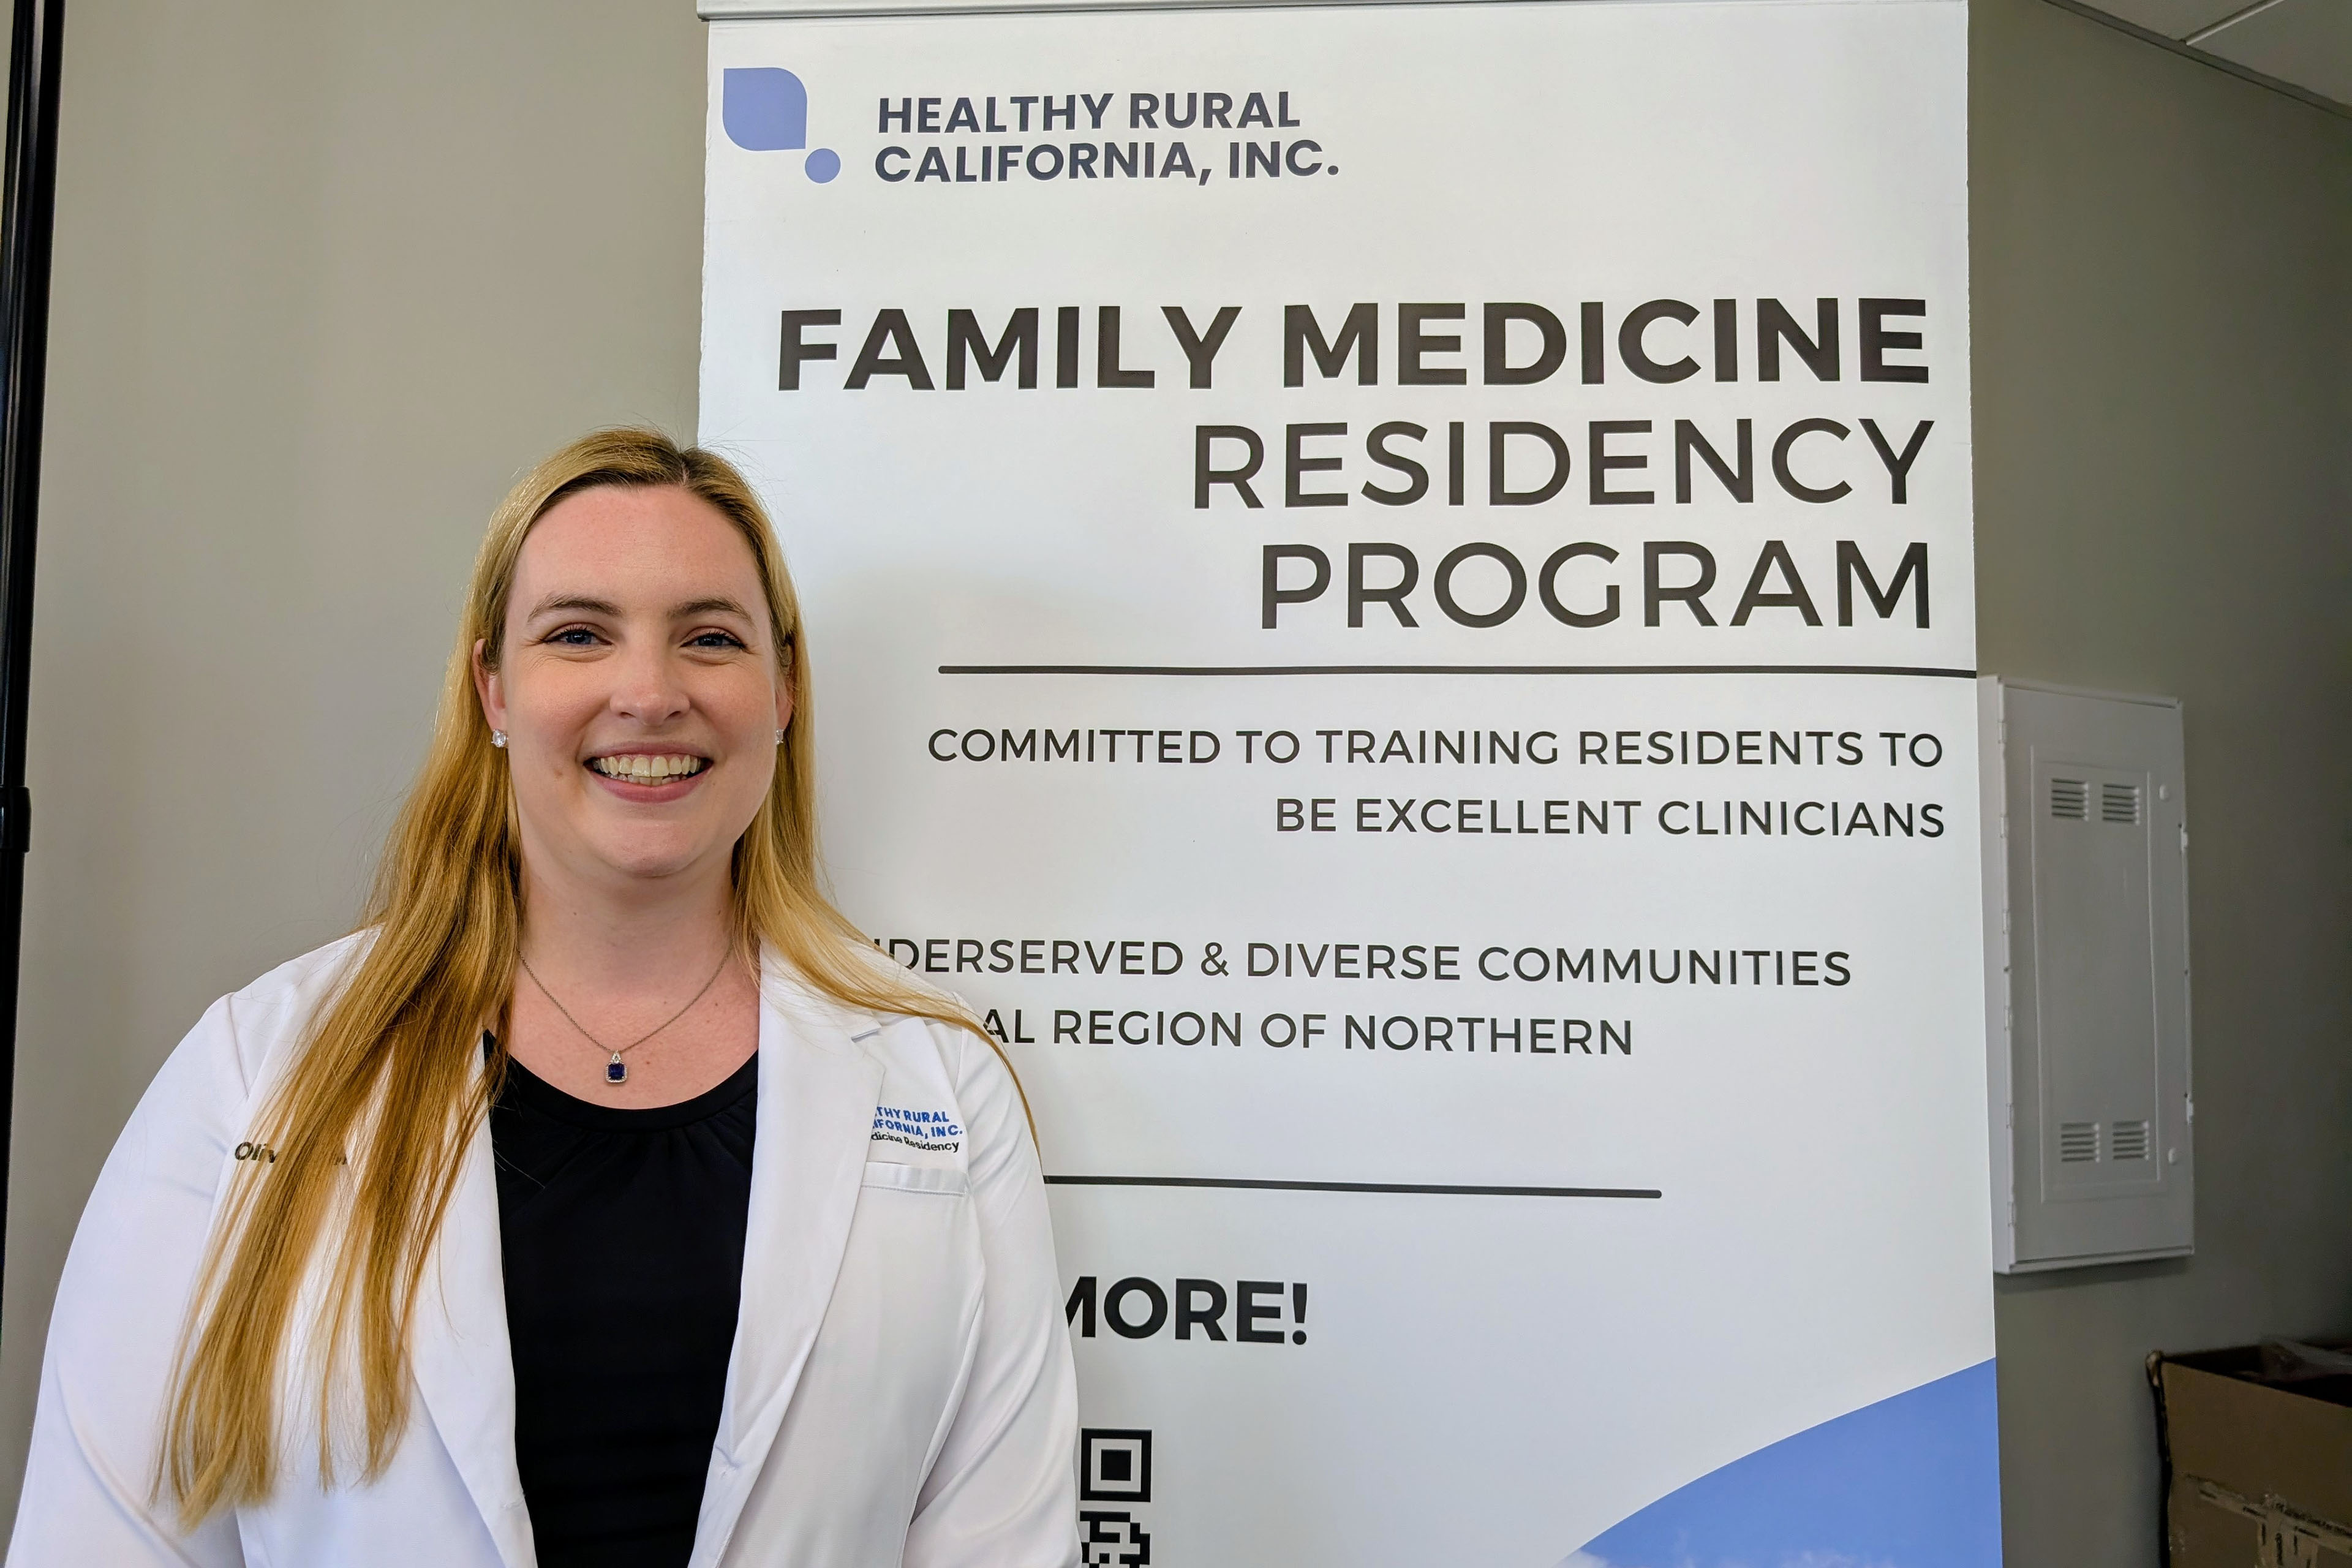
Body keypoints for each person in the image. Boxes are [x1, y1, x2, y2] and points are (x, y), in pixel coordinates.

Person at [5, 430, 1079, 1567]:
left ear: (783, 692)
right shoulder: (254, 1070)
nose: (651, 692)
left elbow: (1002, 1543)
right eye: (578, 635)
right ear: (494, 689)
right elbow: (107, 1537)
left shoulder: (942, 1081)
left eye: (710, 638)